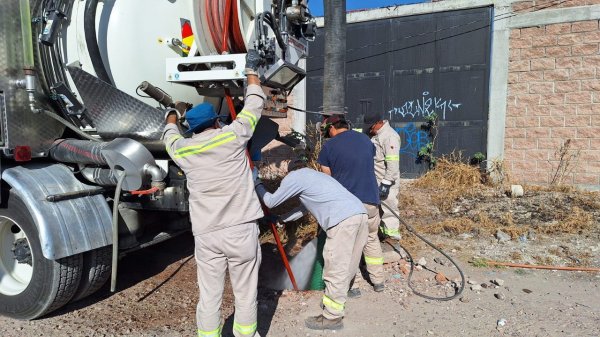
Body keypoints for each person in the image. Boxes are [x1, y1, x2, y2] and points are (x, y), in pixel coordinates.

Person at [162, 50, 265, 337]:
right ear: (217, 122)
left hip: (207, 234)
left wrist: (171, 113)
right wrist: (251, 72)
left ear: (191, 129)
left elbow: (169, 136)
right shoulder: (232, 137)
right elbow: (255, 105)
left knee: (209, 294)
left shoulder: (183, 150)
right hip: (239, 229)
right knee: (245, 290)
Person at [254, 160, 368, 331]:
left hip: (341, 221)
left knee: (335, 267)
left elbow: (270, 201)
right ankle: (346, 291)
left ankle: (332, 317)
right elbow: (304, 208)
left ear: (290, 171)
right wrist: (282, 218)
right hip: (359, 214)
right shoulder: (315, 176)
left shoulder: (295, 177)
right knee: (350, 261)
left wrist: (257, 183)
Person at [317, 115, 385, 293]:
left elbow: (326, 180)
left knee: (348, 247)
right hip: (371, 200)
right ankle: (378, 281)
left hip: (348, 207)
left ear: (331, 129)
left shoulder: (329, 146)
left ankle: (351, 286)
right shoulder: (365, 140)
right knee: (371, 238)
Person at [364, 112, 401, 241]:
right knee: (378, 211)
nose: (370, 129)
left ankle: (392, 237)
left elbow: (392, 164)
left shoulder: (389, 136)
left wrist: (386, 183)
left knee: (389, 210)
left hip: (386, 183)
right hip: (376, 181)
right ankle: (382, 234)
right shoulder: (377, 135)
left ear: (379, 123)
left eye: (371, 127)